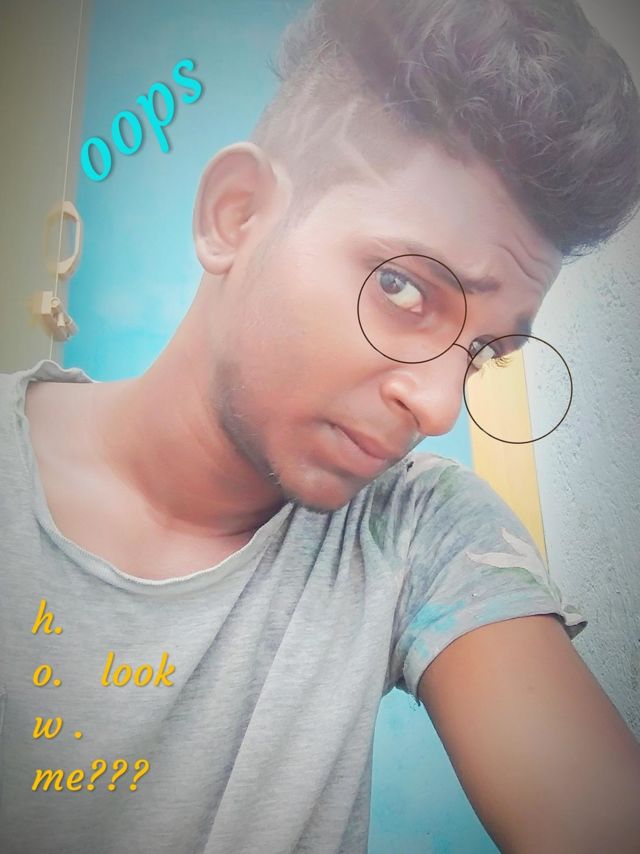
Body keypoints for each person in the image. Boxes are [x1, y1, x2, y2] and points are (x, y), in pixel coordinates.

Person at [1, 0, 640, 851]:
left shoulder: (420, 528)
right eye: (404, 289)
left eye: (486, 352)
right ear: (236, 215)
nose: (439, 408)